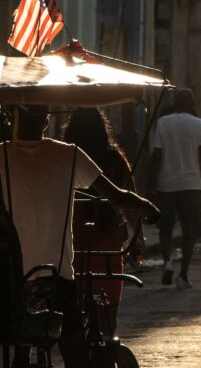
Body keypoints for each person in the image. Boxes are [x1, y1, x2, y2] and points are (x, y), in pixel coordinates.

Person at [0, 106, 158, 367]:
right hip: (57, 277)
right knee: (75, 354)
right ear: (46, 119)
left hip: (14, 276)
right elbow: (117, 196)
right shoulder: (67, 154)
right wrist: (147, 207)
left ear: (11, 119)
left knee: (20, 349)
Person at [62, 107, 137, 334]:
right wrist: (138, 237)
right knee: (108, 308)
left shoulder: (64, 157)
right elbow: (129, 199)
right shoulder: (114, 158)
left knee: (74, 302)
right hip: (107, 238)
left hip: (73, 237)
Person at [150, 89, 201, 289]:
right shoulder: (200, 124)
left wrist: (153, 180)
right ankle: (183, 274)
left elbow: (156, 155)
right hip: (191, 184)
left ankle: (167, 262)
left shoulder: (163, 123)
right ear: (192, 104)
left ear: (175, 104)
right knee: (189, 231)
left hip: (167, 184)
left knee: (165, 228)